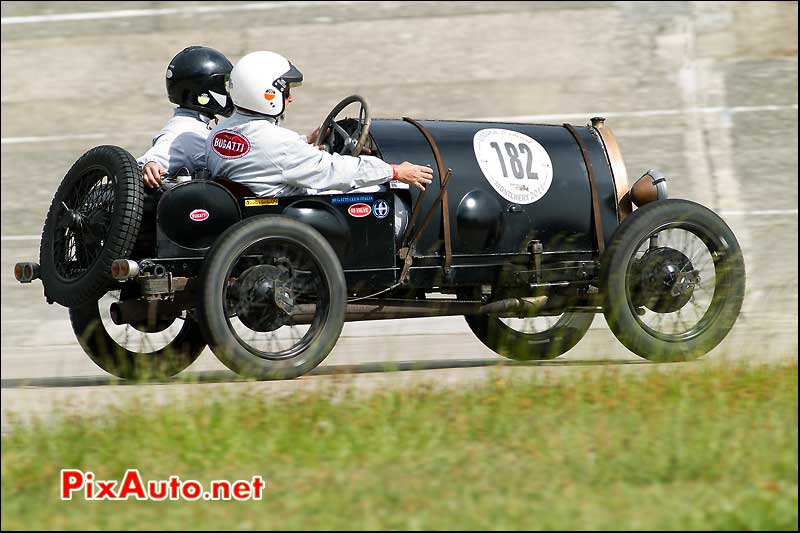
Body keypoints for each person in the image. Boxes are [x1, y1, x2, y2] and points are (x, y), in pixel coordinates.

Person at [205, 51, 433, 197]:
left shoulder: (218, 134)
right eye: (285, 92)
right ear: (267, 94)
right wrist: (394, 171)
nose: (290, 98)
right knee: (380, 190)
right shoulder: (280, 145)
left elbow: (266, 154)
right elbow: (335, 171)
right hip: (292, 215)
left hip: (255, 211)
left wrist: (307, 141)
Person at [138, 46, 234, 188]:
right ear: (204, 93)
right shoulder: (182, 132)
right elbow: (153, 159)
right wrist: (150, 163)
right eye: (223, 85)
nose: (228, 92)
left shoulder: (195, 124)